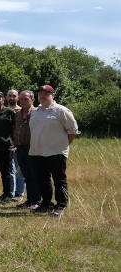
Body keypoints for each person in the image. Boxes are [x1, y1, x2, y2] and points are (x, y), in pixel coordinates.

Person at [28, 85, 79, 216]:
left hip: (56, 152)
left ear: (53, 95)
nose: (42, 95)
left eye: (46, 93)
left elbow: (72, 131)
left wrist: (63, 146)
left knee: (59, 180)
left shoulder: (61, 110)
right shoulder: (35, 111)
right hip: (37, 152)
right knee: (42, 180)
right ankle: (46, 204)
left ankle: (61, 205)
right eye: (40, 93)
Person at [12, 90, 37, 208]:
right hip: (20, 149)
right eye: (21, 99)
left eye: (25, 99)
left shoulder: (37, 113)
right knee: (26, 176)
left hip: (34, 149)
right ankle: (30, 200)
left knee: (34, 175)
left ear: (32, 99)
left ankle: (37, 201)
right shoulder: (17, 114)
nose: (22, 101)